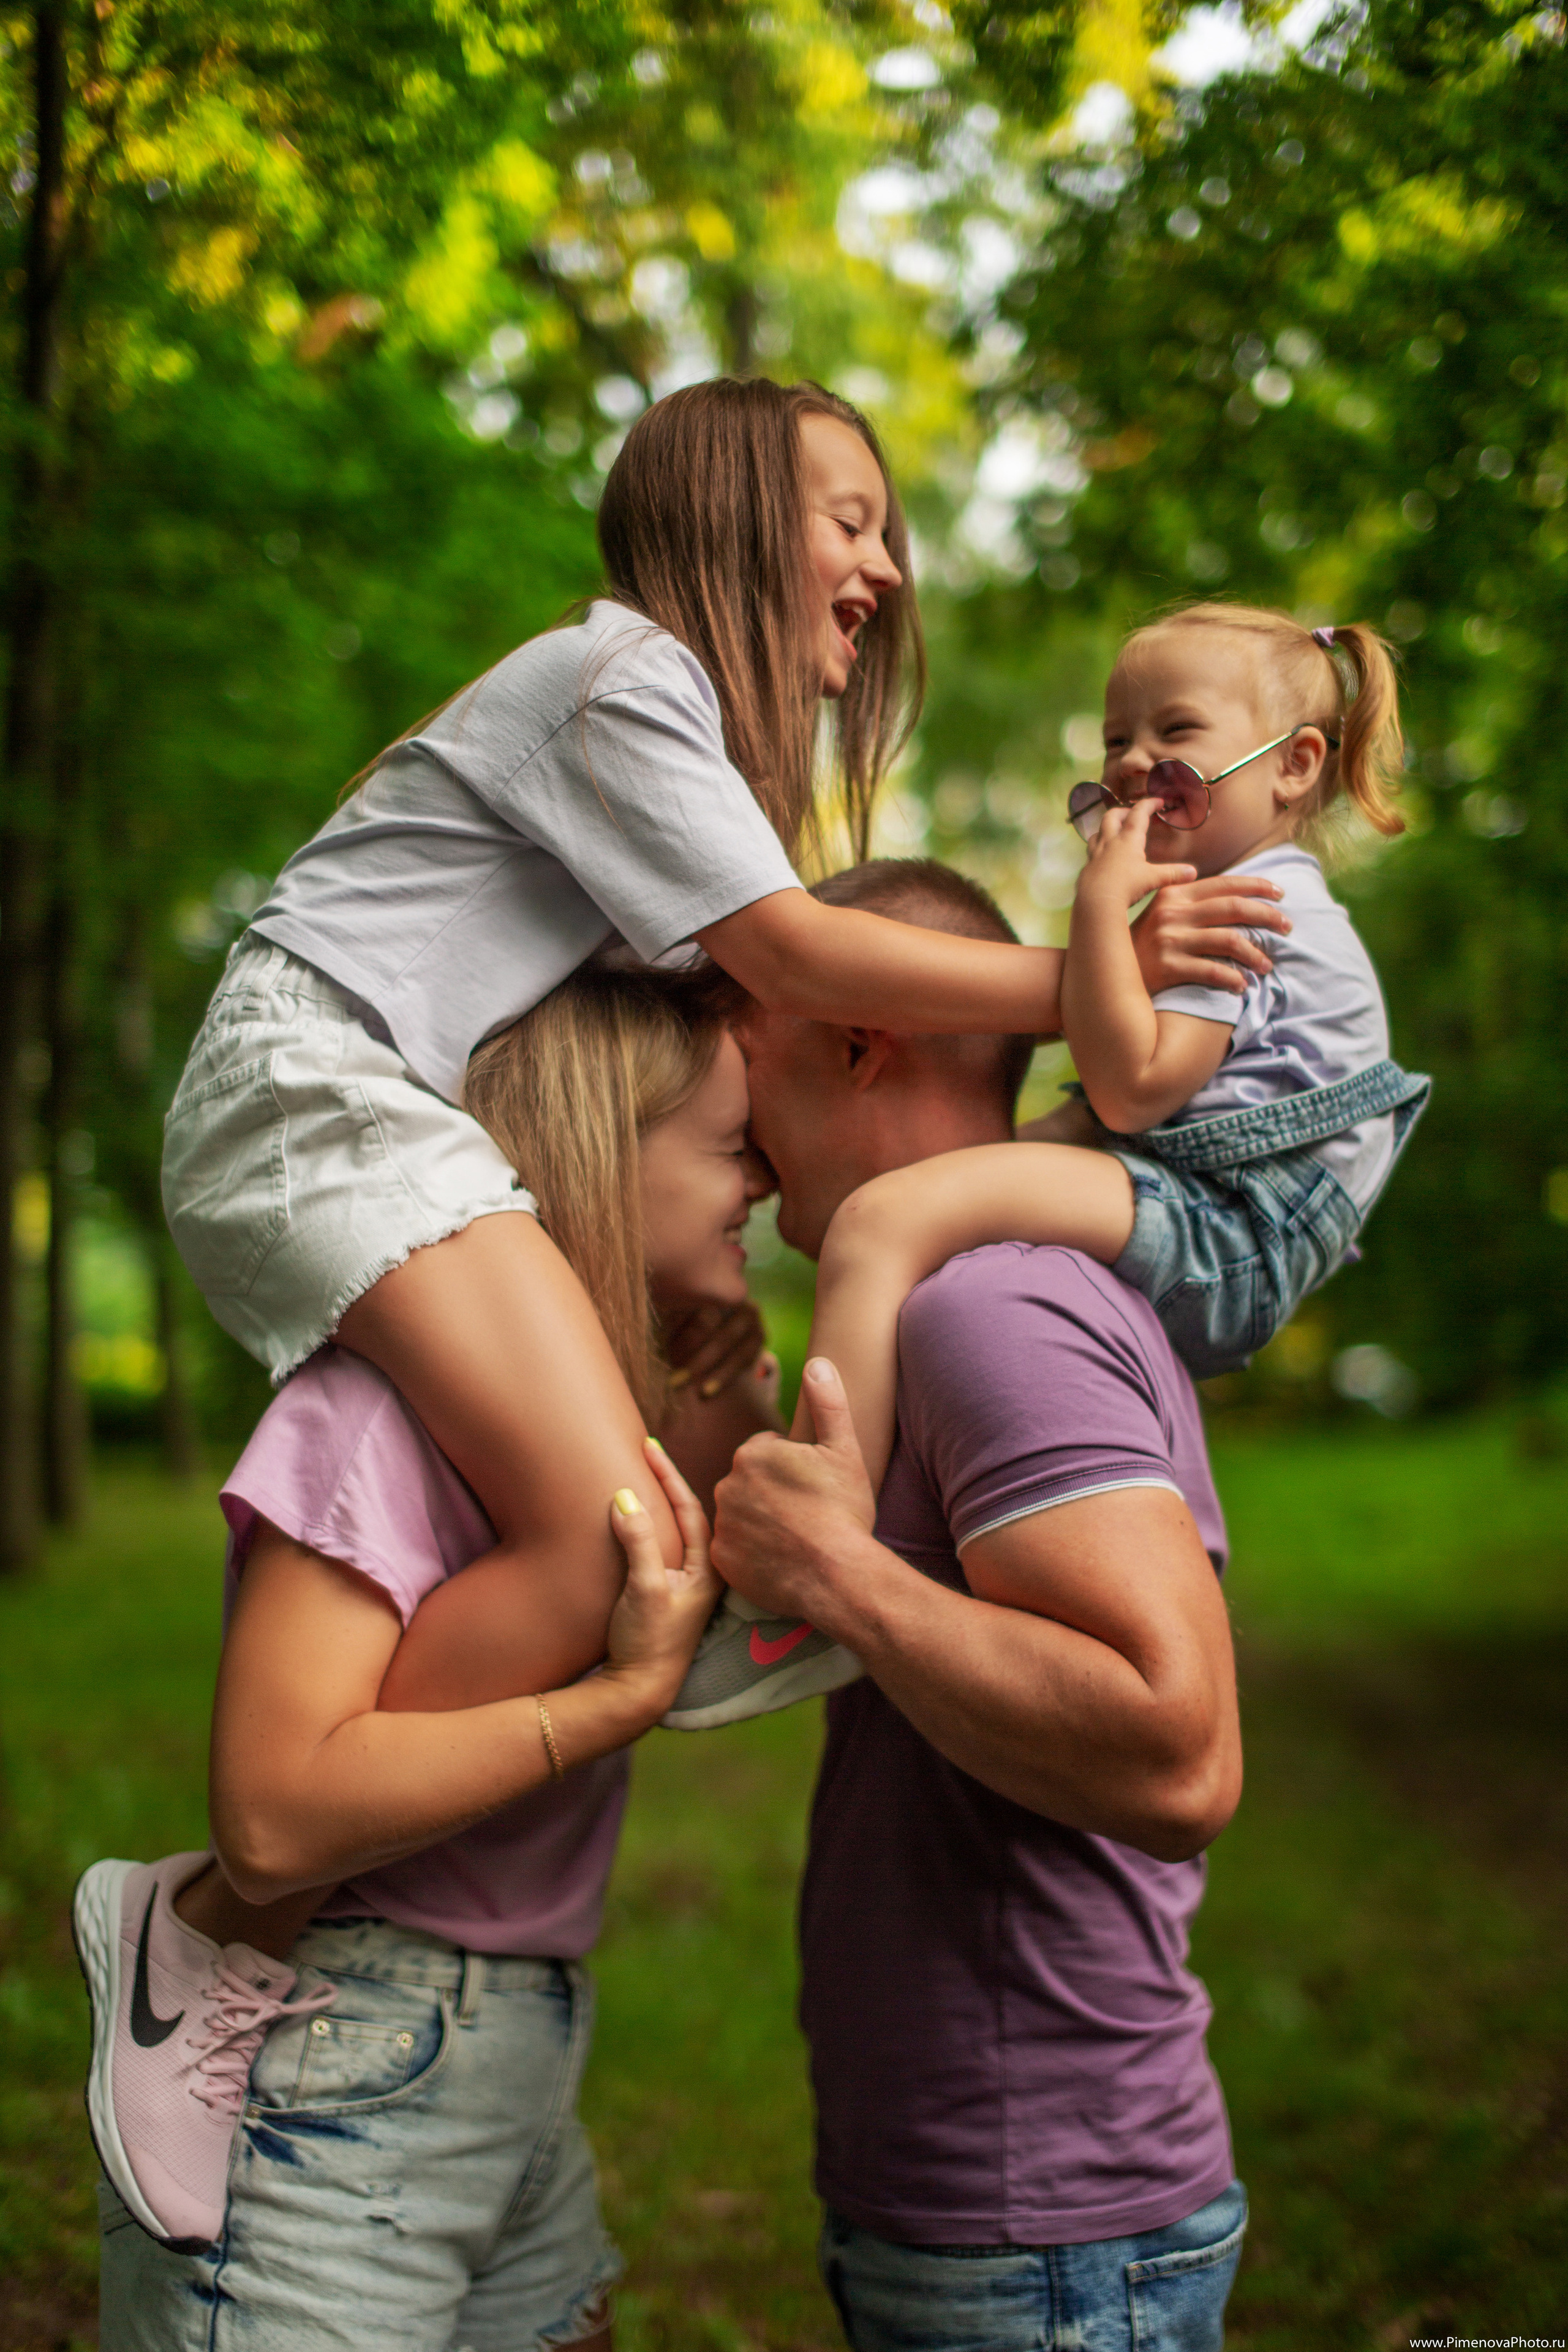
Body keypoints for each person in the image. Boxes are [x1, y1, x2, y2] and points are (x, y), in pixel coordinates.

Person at [78, 961, 777, 2335]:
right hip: (332, 2053)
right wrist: (614, 1701)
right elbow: (275, 1820)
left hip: (509, 2067)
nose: (755, 1183)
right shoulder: (375, 1413)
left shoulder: (606, 1438)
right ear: (601, 1154)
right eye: (725, 1149)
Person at [715, 858, 1249, 2351]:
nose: (735, 1135)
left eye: (740, 1044)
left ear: (850, 1039)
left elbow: (1178, 1754)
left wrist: (838, 1573)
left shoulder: (986, 1307)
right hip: (984, 2211)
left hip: (1047, 2236)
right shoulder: (947, 1304)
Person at [794, 605, 1431, 1493]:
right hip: (1221, 1213)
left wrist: (1099, 907)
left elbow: (1132, 1094)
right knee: (929, 1203)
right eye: (1115, 739)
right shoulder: (1239, 895)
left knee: (880, 1220)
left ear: (1293, 764)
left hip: (1226, 1230)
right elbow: (1102, 1112)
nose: (1133, 762)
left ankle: (815, 1501)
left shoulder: (1239, 909)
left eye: (1174, 732)